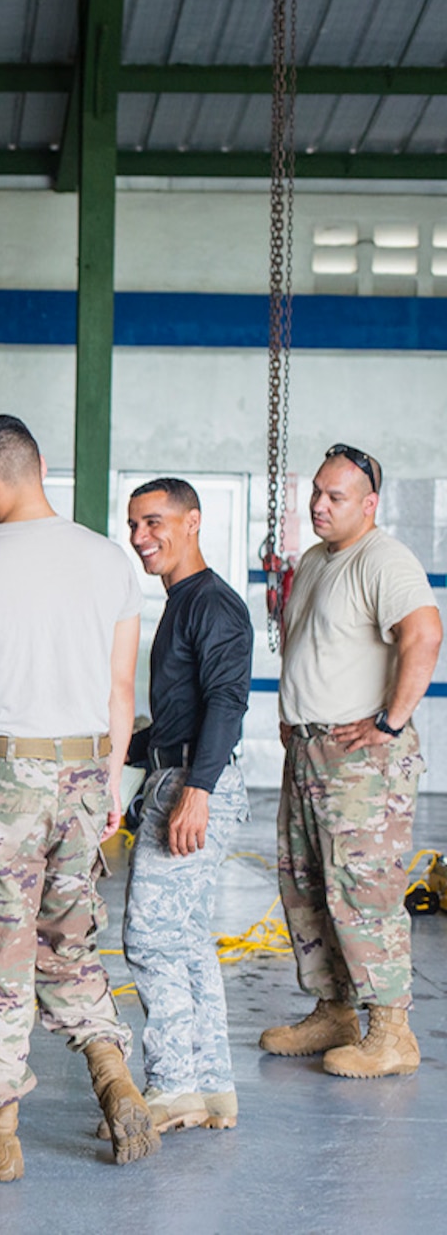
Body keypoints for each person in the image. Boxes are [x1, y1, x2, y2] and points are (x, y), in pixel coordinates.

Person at [0, 415, 157, 1181]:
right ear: (39, 466)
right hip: (85, 775)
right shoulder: (110, 561)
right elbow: (122, 688)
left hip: (3, 780)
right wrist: (112, 779)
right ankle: (116, 1080)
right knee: (67, 936)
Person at [262, 443, 441, 1077]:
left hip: (359, 762)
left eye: (335, 497)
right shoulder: (315, 559)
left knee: (363, 890)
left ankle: (391, 1031)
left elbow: (425, 633)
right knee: (308, 884)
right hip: (309, 751)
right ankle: (334, 1009)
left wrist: (390, 722)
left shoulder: (384, 559)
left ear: (368, 505)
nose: (318, 504)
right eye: (315, 492)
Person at [119, 478, 253, 1133]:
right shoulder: (181, 601)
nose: (140, 536)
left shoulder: (212, 605)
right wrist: (114, 746)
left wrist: (194, 792)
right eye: (133, 524)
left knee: (150, 939)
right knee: (188, 942)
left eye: (153, 521)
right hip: (178, 772)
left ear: (192, 520)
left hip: (196, 782)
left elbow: (227, 702)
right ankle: (212, 1086)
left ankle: (173, 1087)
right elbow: (176, 719)